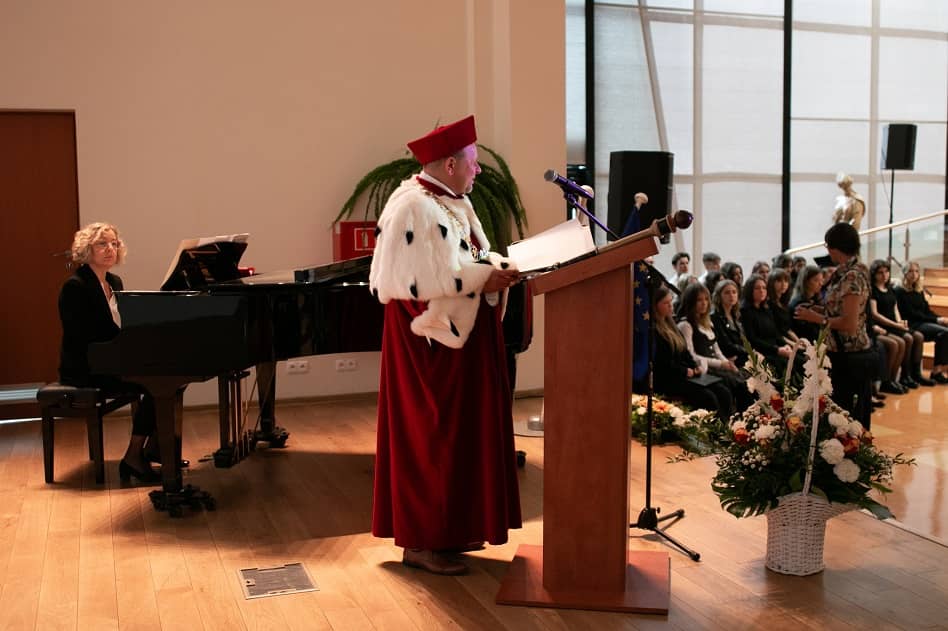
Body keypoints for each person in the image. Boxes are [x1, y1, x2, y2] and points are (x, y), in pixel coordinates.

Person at [368, 115, 522, 576]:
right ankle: (422, 540)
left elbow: (462, 262)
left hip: (459, 342)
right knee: (431, 436)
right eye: (473, 162)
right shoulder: (414, 207)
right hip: (431, 346)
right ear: (451, 164)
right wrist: (482, 279)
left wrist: (494, 269)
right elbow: (416, 287)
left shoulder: (451, 202)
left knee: (459, 438)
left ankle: (452, 530)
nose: (478, 170)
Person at [58, 222, 160, 483]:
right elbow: (82, 338)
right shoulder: (75, 286)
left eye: (114, 244)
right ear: (86, 248)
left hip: (112, 359)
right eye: (102, 244)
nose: (110, 249)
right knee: (158, 383)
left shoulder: (114, 282)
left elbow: (122, 325)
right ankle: (134, 456)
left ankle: (152, 449)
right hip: (86, 367)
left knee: (174, 379)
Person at [795, 223, 874, 427]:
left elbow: (849, 323)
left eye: (828, 246)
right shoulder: (843, 272)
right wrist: (816, 310)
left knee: (847, 419)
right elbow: (837, 309)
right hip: (838, 352)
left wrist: (816, 318)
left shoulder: (853, 276)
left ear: (836, 247)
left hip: (850, 354)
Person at [650, 286, 734, 421]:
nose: (671, 306)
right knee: (708, 397)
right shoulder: (654, 330)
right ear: (655, 306)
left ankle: (729, 425)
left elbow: (685, 353)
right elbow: (662, 363)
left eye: (671, 302)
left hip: (685, 374)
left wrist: (695, 366)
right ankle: (716, 429)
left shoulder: (671, 325)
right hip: (671, 378)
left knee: (723, 392)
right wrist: (685, 371)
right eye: (666, 303)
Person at [677, 283, 750, 410]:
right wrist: (721, 364)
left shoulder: (707, 323)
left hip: (718, 366)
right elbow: (692, 355)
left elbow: (716, 350)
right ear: (691, 302)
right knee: (732, 387)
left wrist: (727, 363)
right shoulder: (686, 325)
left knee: (746, 381)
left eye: (706, 299)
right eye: (699, 300)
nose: (704, 303)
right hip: (705, 368)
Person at [869, 259, 930, 388]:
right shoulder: (873, 291)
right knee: (901, 342)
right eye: (880, 273)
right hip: (883, 325)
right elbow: (875, 315)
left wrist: (900, 321)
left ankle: (908, 375)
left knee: (917, 336)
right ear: (874, 274)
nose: (884, 275)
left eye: (886, 272)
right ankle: (889, 380)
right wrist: (896, 325)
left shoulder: (889, 288)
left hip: (893, 323)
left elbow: (895, 308)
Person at [894, 261, 948, 383]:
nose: (914, 274)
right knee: (945, 332)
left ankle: (937, 371)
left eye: (916, 271)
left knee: (944, 333)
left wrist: (941, 319)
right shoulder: (899, 291)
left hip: (923, 322)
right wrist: (936, 320)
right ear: (904, 273)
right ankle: (933, 372)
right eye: (910, 271)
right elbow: (911, 313)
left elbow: (927, 311)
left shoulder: (918, 290)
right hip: (911, 324)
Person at [710, 279, 749, 368]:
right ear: (719, 296)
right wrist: (750, 352)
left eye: (734, 292)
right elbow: (726, 345)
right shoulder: (715, 317)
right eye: (727, 293)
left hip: (741, 355)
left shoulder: (735, 314)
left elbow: (743, 340)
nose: (731, 295)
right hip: (728, 358)